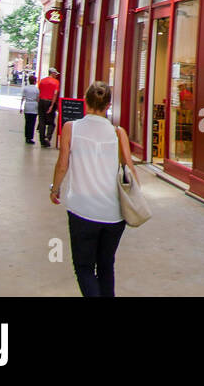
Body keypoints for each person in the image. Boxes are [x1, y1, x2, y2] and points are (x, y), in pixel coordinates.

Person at [50, 81, 134, 297]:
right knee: (106, 266)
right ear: (108, 105)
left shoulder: (71, 128)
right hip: (114, 214)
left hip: (82, 211)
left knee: (84, 267)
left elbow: (62, 164)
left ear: (85, 101)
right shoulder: (118, 133)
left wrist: (55, 188)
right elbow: (131, 172)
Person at [37, 69, 60, 147]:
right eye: (55, 74)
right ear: (52, 73)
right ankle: (48, 137)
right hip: (49, 101)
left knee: (42, 121)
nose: (56, 75)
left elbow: (39, 91)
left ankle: (42, 140)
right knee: (51, 122)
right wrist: (52, 105)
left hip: (41, 101)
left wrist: (38, 102)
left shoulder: (42, 81)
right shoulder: (56, 82)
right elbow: (55, 94)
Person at [21, 74, 40, 144]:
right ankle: (30, 137)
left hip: (27, 105)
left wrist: (21, 107)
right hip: (34, 106)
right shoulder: (37, 89)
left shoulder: (25, 88)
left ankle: (26, 137)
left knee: (27, 122)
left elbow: (23, 98)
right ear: (35, 81)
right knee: (32, 123)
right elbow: (38, 99)